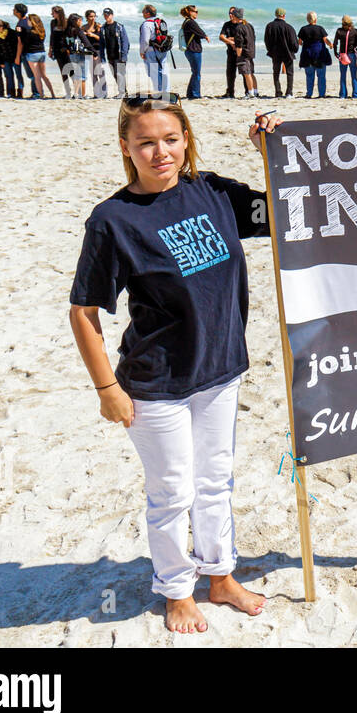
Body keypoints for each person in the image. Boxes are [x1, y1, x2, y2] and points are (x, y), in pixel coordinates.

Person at [69, 95, 282, 634]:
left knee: (215, 482)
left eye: (169, 138)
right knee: (172, 493)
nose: (159, 151)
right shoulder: (113, 220)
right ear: (126, 148)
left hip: (220, 368)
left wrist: (269, 153)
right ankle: (176, 590)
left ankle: (220, 576)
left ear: (185, 138)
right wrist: (106, 389)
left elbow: (283, 212)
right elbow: (83, 311)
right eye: (145, 142)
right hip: (157, 381)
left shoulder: (212, 192)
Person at [14, 3, 55, 99]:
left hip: (30, 54)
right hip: (41, 52)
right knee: (43, 75)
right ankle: (51, 94)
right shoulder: (40, 30)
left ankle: (39, 94)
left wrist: (17, 56)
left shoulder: (23, 27)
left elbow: (20, 43)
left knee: (35, 76)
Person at [218, 7, 257, 98]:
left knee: (246, 73)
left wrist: (233, 40)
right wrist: (231, 41)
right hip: (231, 52)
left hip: (242, 52)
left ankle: (249, 91)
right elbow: (221, 37)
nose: (231, 15)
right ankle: (230, 92)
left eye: (233, 13)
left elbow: (248, 39)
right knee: (230, 74)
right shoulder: (227, 25)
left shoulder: (243, 25)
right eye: (229, 13)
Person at [264, 8, 298, 98]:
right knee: (290, 73)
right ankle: (289, 92)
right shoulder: (289, 27)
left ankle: (278, 92)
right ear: (284, 15)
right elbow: (294, 43)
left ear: (276, 14)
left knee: (276, 73)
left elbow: (267, 40)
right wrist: (294, 50)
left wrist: (270, 50)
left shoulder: (269, 26)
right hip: (287, 53)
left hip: (275, 53)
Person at [139, 4, 172, 96]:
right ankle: (166, 91)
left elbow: (145, 40)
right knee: (164, 70)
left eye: (143, 11)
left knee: (154, 72)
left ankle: (158, 91)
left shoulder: (146, 24)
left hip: (151, 50)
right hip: (163, 49)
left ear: (147, 13)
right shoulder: (161, 22)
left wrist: (142, 51)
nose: (142, 13)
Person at [297, 11, 332, 99]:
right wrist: (331, 44)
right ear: (315, 19)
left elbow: (299, 42)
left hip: (307, 54)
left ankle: (309, 93)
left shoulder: (303, 29)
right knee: (321, 76)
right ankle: (321, 94)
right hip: (319, 54)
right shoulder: (320, 28)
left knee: (309, 76)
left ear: (307, 19)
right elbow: (325, 39)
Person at [180, 6, 208, 100]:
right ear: (190, 12)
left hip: (189, 50)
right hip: (193, 50)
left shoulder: (186, 22)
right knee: (197, 73)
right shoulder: (191, 22)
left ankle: (190, 93)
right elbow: (200, 33)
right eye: (195, 11)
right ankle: (195, 94)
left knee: (195, 72)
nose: (197, 13)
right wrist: (206, 36)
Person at [103, 8, 131, 98]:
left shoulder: (119, 26)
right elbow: (101, 43)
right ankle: (123, 92)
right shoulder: (103, 28)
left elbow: (125, 41)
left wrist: (124, 55)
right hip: (110, 55)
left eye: (108, 14)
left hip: (119, 55)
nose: (106, 16)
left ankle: (122, 93)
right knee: (115, 74)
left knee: (120, 74)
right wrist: (102, 56)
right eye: (105, 15)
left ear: (112, 15)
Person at [63, 13, 92, 96]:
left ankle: (76, 93)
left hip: (71, 55)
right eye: (80, 20)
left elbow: (64, 42)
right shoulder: (78, 30)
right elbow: (85, 42)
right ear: (77, 21)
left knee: (77, 75)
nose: (81, 22)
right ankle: (81, 94)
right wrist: (93, 52)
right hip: (80, 54)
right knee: (82, 76)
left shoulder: (66, 30)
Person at [333, 16, 357, 98]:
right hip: (352, 54)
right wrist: (353, 45)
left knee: (343, 75)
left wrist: (336, 53)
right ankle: (355, 94)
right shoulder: (355, 31)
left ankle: (343, 94)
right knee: (354, 75)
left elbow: (335, 43)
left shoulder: (339, 31)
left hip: (342, 55)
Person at [50, 5, 73, 97]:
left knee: (71, 71)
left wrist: (69, 48)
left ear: (58, 13)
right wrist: (50, 49)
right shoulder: (53, 22)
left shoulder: (67, 22)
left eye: (53, 12)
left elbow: (71, 36)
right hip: (56, 49)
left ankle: (77, 91)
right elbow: (52, 36)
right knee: (63, 71)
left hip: (66, 49)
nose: (51, 14)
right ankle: (68, 92)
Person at [84, 9, 107, 98]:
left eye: (94, 16)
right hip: (89, 52)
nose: (93, 18)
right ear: (87, 17)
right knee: (93, 74)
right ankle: (97, 93)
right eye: (91, 16)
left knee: (100, 72)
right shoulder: (84, 27)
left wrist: (93, 35)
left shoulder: (99, 27)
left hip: (98, 51)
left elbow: (103, 40)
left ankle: (104, 93)